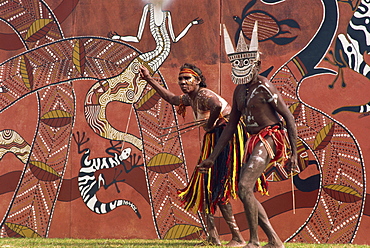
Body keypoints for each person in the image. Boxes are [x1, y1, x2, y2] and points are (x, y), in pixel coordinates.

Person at [197, 23, 298, 248]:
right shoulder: (239, 91)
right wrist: (213, 157)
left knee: (244, 187)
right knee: (246, 192)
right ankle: (274, 241)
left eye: (246, 62)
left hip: (271, 137)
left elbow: (288, 118)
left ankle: (253, 241)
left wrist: (294, 154)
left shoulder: (264, 86)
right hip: (253, 140)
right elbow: (231, 126)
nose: (240, 66)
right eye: (237, 62)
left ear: (257, 64)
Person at [139, 63, 246, 247]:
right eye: (180, 79)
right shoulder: (191, 98)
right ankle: (213, 238)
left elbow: (217, 105)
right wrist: (149, 79)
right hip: (213, 138)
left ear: (197, 80)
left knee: (216, 185)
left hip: (226, 137)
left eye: (187, 78)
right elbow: (172, 98)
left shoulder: (203, 94)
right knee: (204, 186)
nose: (182, 82)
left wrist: (210, 124)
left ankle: (237, 238)